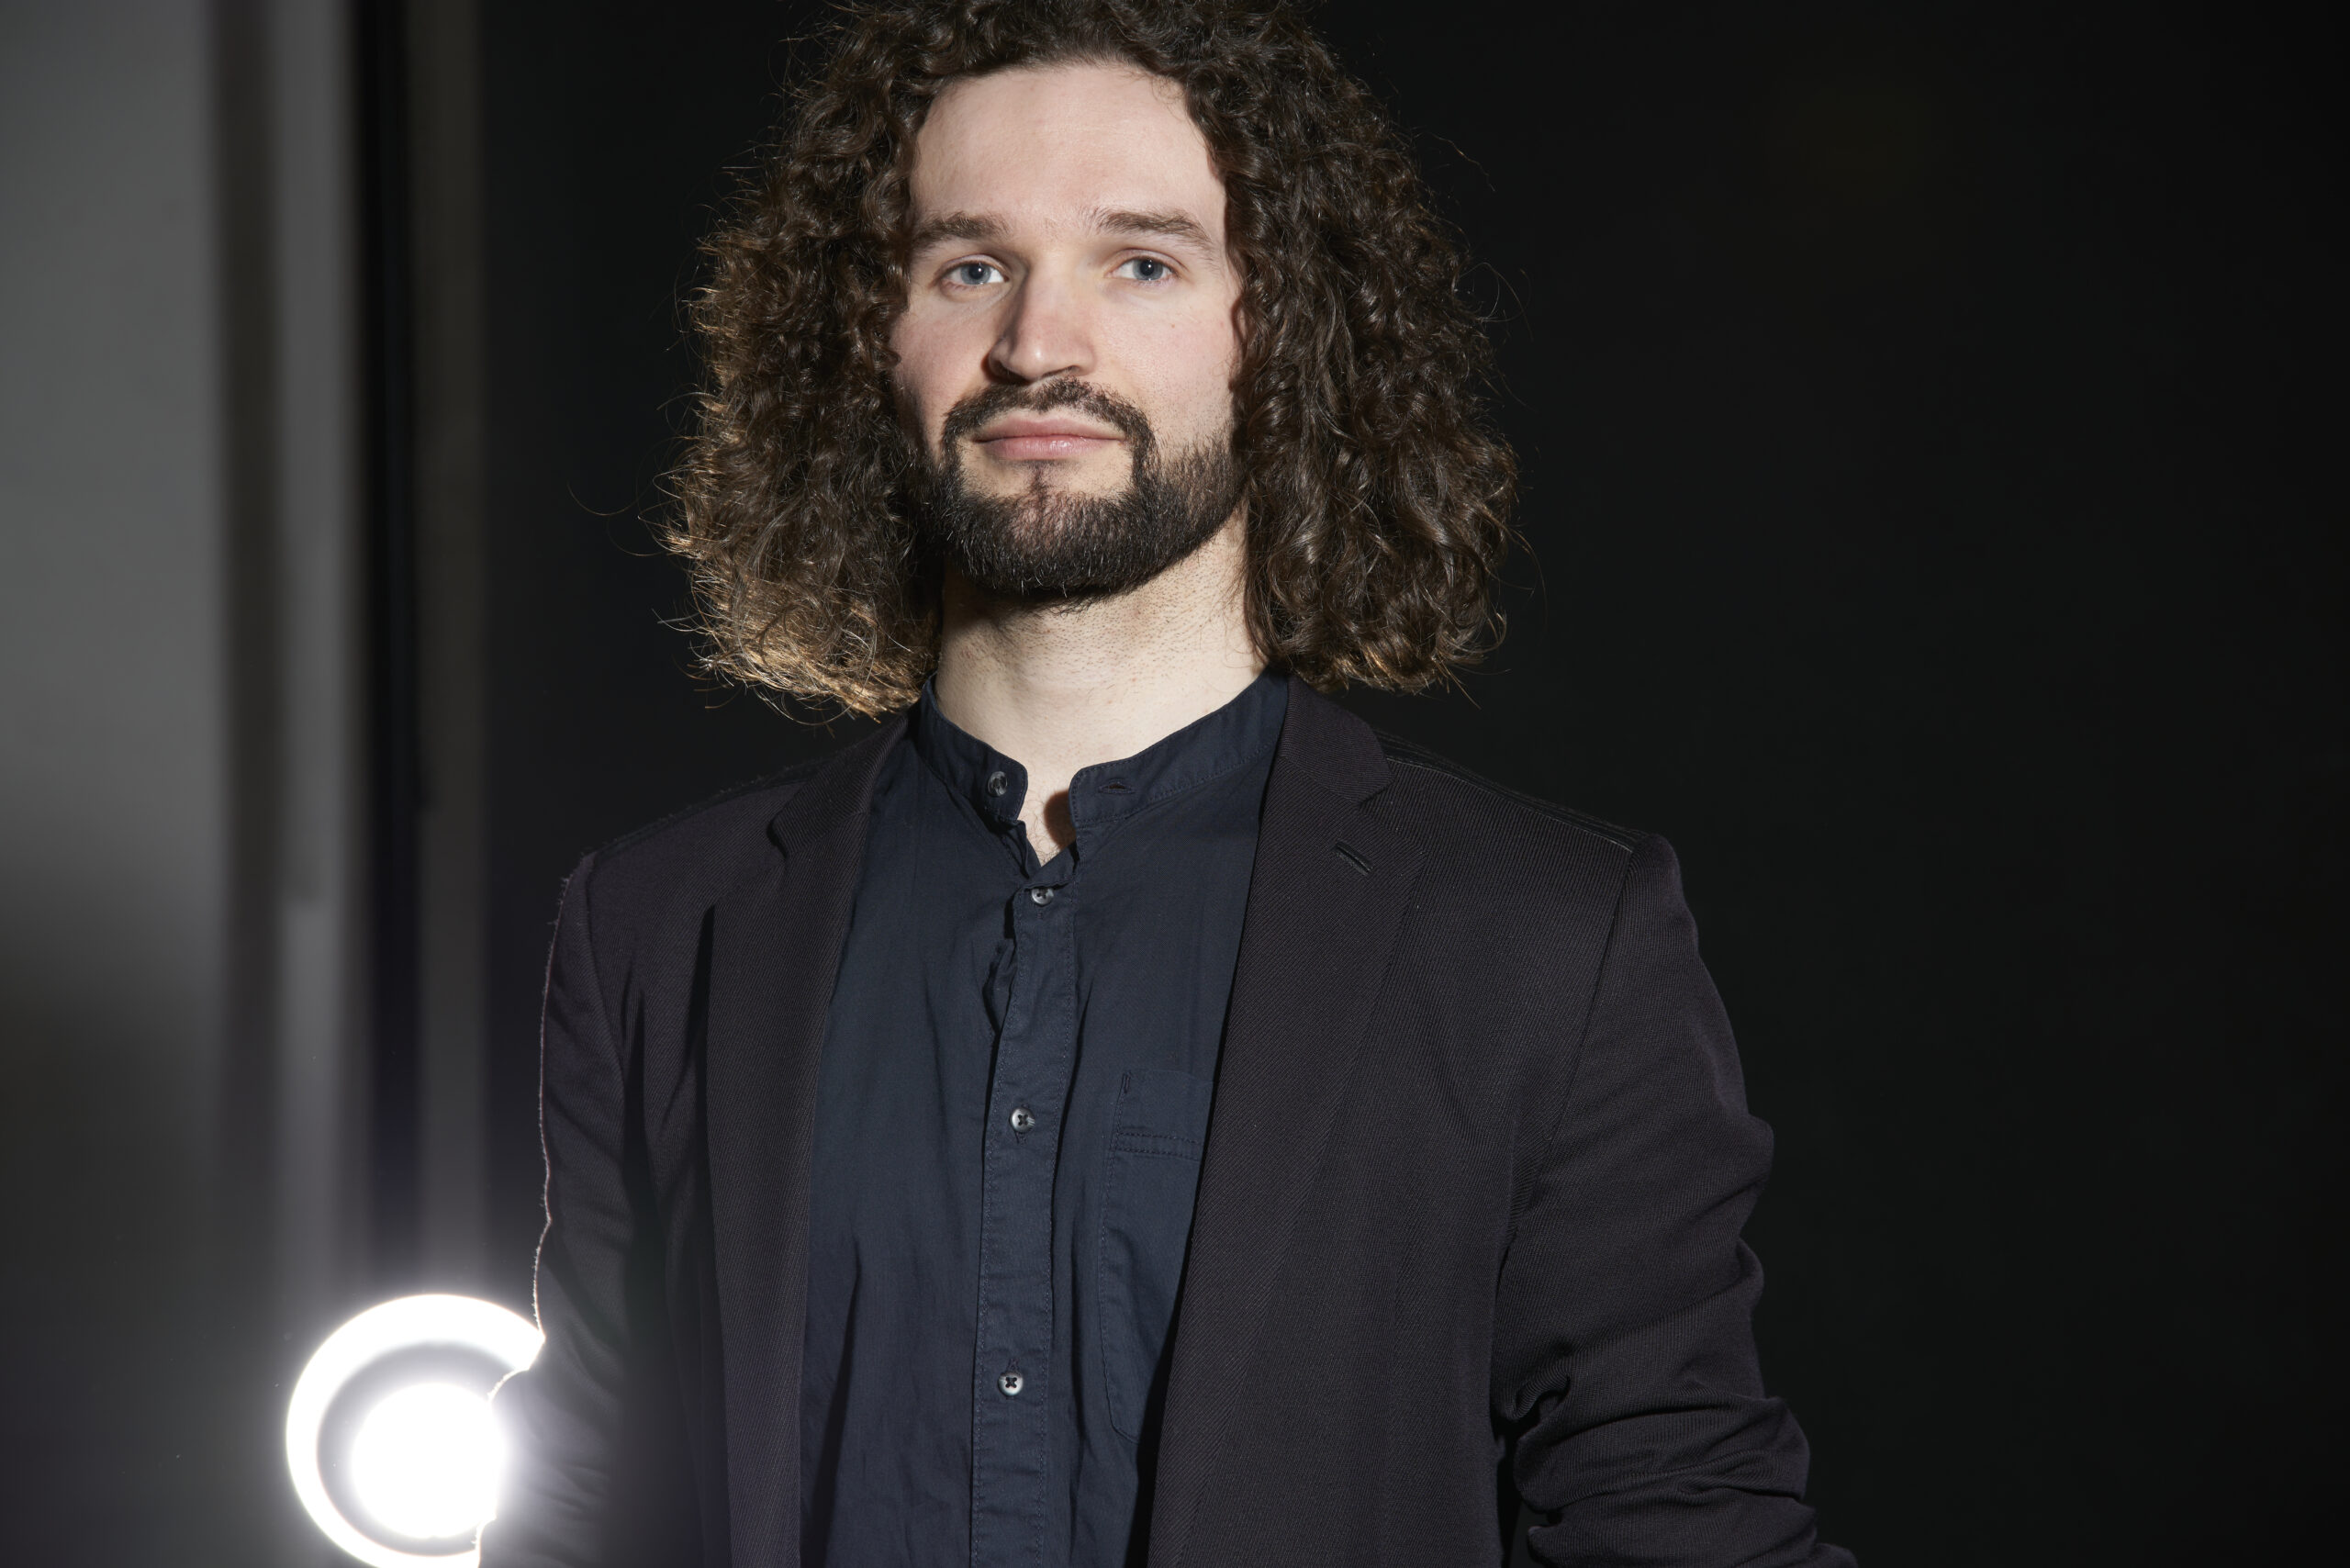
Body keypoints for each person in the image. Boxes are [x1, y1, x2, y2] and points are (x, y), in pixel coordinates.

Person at [482, 3, 1851, 1565]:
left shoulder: (1550, 940)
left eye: (1142, 261)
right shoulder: (663, 929)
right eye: (969, 266)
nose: (1039, 345)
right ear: (874, 339)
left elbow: (1678, 1521)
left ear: (1277, 333)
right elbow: (585, 1513)